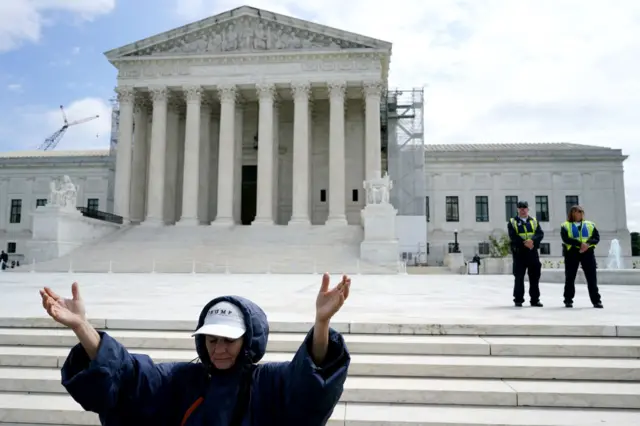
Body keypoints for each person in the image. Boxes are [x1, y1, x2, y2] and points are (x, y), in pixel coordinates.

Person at [39, 273, 352, 425]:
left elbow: (310, 386)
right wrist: (83, 327)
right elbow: (128, 377)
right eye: (211, 339)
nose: (218, 349)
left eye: (229, 340)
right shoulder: (182, 379)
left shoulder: (267, 383)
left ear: (248, 341)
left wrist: (321, 323)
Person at [561, 205, 603, 308]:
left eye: (581, 211)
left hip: (587, 253)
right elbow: (566, 239)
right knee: (570, 277)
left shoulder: (590, 225)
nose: (579, 213)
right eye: (576, 211)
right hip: (572, 253)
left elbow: (596, 237)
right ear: (572, 213)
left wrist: (587, 244)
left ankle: (596, 301)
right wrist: (580, 244)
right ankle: (568, 300)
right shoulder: (565, 225)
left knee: (591, 278)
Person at [507, 200, 544, 307]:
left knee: (534, 277)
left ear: (528, 209)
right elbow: (513, 236)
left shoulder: (534, 221)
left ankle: (535, 299)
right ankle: (518, 299)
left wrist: (532, 242)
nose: (523, 210)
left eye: (524, 208)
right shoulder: (512, 221)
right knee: (519, 277)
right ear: (518, 209)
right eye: (520, 208)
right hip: (519, 253)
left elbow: (540, 234)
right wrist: (525, 243)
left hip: (532, 252)